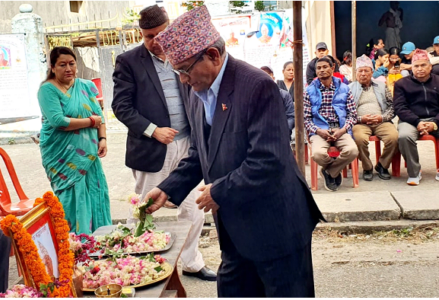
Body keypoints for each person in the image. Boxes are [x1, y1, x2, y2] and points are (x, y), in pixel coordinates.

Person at [144, 5, 324, 297]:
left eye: (184, 70)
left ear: (213, 56)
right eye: (176, 72)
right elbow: (202, 151)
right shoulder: (195, 89)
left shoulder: (257, 87)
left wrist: (219, 191)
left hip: (275, 225)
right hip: (235, 228)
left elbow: (269, 160)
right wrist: (168, 188)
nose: (182, 80)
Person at [111, 5, 215, 282]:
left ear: (170, 28)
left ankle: (191, 262)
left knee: (193, 208)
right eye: (148, 36)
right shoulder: (128, 61)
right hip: (152, 148)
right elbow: (120, 106)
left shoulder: (183, 55)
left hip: (189, 147)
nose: (155, 40)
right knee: (145, 209)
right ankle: (139, 265)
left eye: (160, 33)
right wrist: (153, 130)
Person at [37, 46, 111, 234]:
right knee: (71, 199)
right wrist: (90, 122)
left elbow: (99, 115)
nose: (68, 68)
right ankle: (75, 247)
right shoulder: (47, 90)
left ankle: (98, 244)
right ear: (53, 67)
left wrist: (102, 138)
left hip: (89, 156)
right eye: (62, 65)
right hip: (61, 156)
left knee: (95, 195)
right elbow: (58, 121)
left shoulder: (85, 86)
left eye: (72, 64)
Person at [304, 56, 359, 192]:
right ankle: (334, 171)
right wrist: (318, 131)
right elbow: (306, 118)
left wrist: (343, 130)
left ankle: (329, 172)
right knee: (317, 154)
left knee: (352, 150)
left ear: (332, 68)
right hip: (319, 130)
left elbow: (353, 115)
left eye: (325, 67)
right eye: (318, 68)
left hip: (340, 128)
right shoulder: (309, 91)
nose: (322, 70)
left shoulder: (344, 89)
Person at [394, 49, 439, 185]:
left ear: (430, 66)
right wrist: (417, 122)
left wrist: (435, 123)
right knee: (404, 136)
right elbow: (400, 108)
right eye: (416, 66)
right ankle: (414, 172)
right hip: (411, 120)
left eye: (423, 65)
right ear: (411, 68)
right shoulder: (401, 84)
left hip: (436, 119)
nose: (420, 69)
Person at [350, 55, 398, 181]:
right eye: (360, 71)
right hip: (360, 123)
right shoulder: (349, 89)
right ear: (356, 73)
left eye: (366, 71)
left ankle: (382, 165)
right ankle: (367, 167)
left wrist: (382, 118)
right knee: (359, 138)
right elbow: (345, 111)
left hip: (381, 121)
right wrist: (360, 119)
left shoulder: (381, 86)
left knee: (394, 137)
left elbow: (391, 106)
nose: (363, 74)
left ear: (372, 72)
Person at [260, 66, 294, 135]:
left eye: (268, 75)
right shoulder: (255, 97)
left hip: (282, 134)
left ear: (273, 77)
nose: (265, 78)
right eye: (261, 76)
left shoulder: (284, 95)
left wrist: (285, 131)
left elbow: (291, 116)